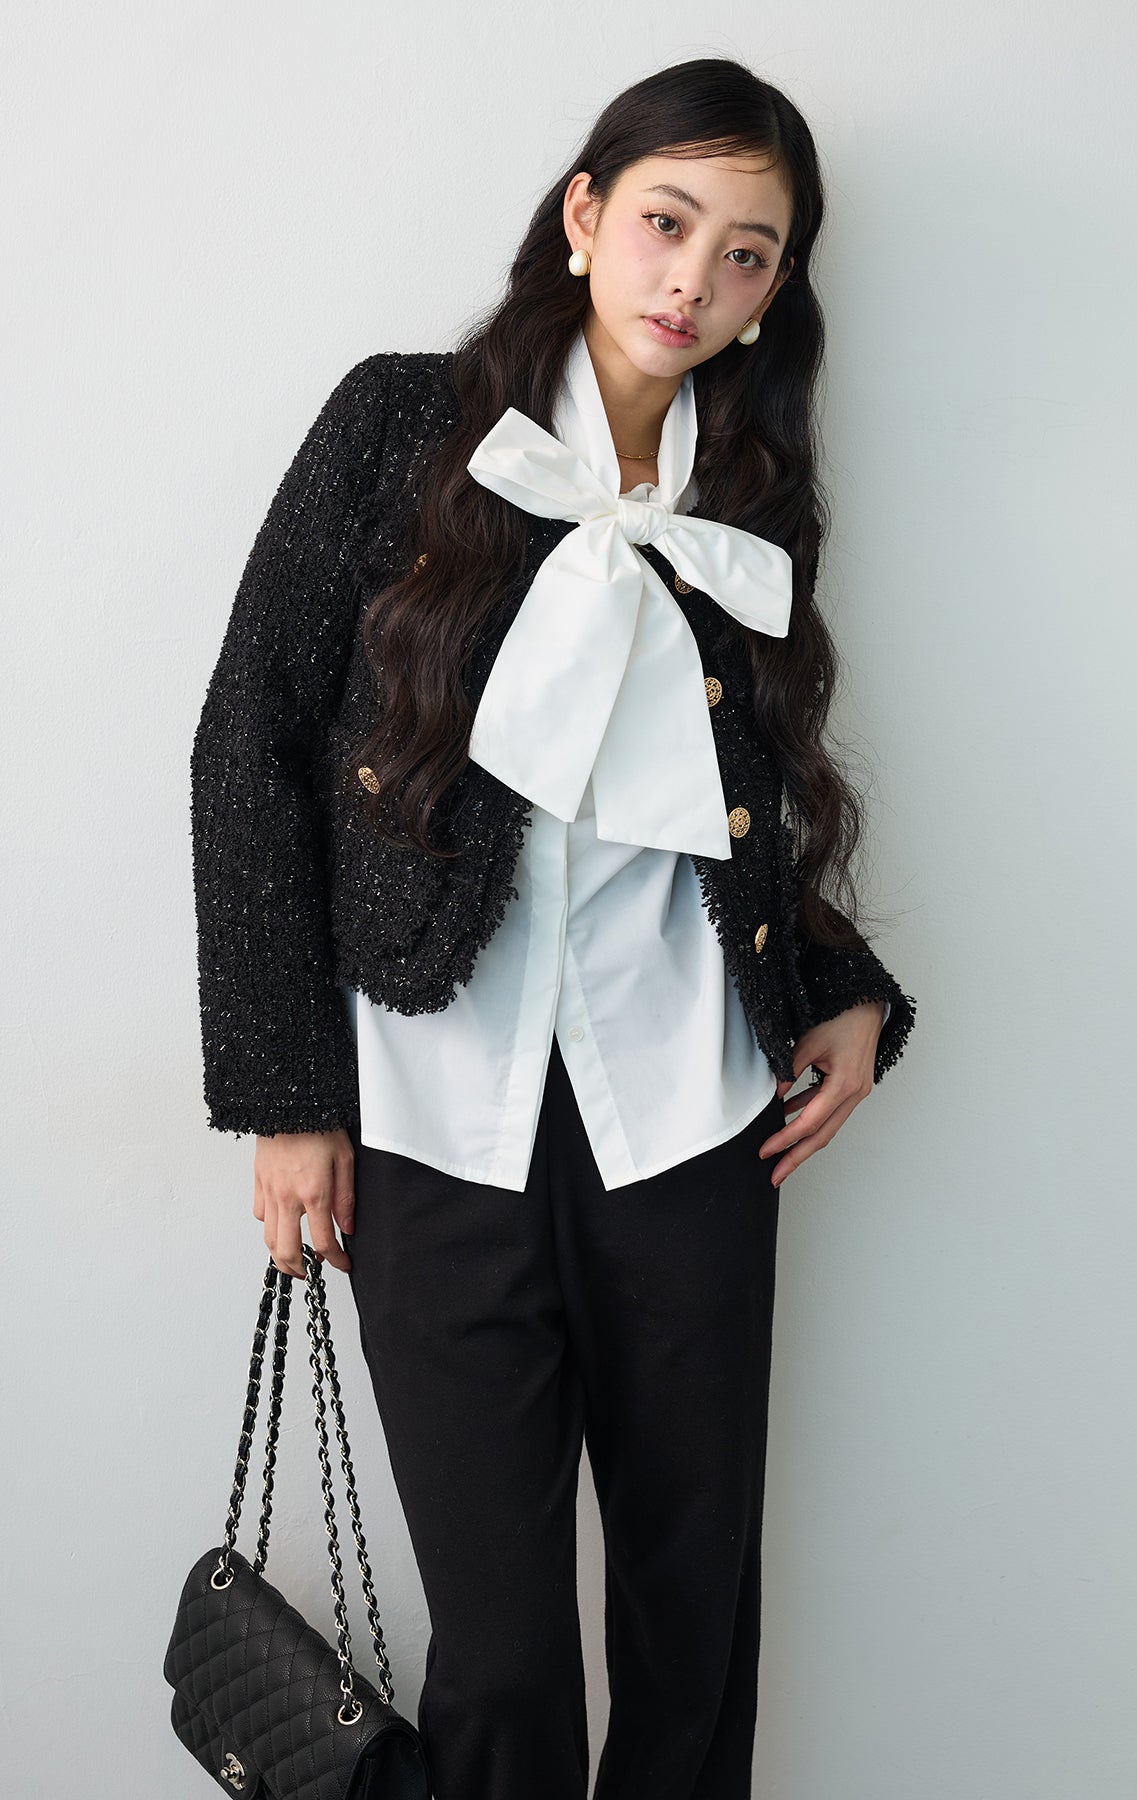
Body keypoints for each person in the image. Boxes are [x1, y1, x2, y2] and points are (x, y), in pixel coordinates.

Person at [189, 55, 916, 1800]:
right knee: (504, 1654)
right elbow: (249, 743)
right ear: (585, 216)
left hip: (686, 1115)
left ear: (773, 295)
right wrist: (287, 1093)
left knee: (691, 1618)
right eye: (668, 221)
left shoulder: (749, 500)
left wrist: (844, 989)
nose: (695, 278)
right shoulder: (402, 426)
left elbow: (741, 800)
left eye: (748, 254)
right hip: (434, 1114)